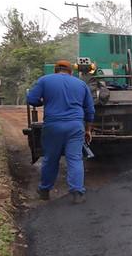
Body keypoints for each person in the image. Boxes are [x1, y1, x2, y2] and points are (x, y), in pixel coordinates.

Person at [26, 60, 95, 204]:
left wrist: (45, 101)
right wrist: (88, 130)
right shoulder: (81, 84)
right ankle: (77, 193)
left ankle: (44, 190)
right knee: (75, 159)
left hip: (53, 126)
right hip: (75, 127)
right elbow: (89, 110)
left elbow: (31, 99)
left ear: (55, 70)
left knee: (51, 159)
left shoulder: (45, 80)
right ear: (71, 71)